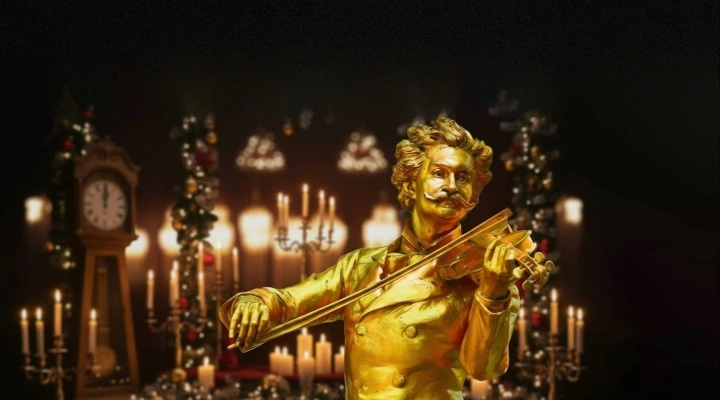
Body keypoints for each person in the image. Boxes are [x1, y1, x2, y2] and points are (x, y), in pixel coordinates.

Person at [219, 116, 549, 399]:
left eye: (462, 177)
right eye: (439, 173)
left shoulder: (483, 276)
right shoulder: (358, 267)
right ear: (411, 182)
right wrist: (257, 301)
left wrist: (493, 291)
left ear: (473, 195)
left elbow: (483, 368)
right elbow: (290, 303)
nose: (451, 185)